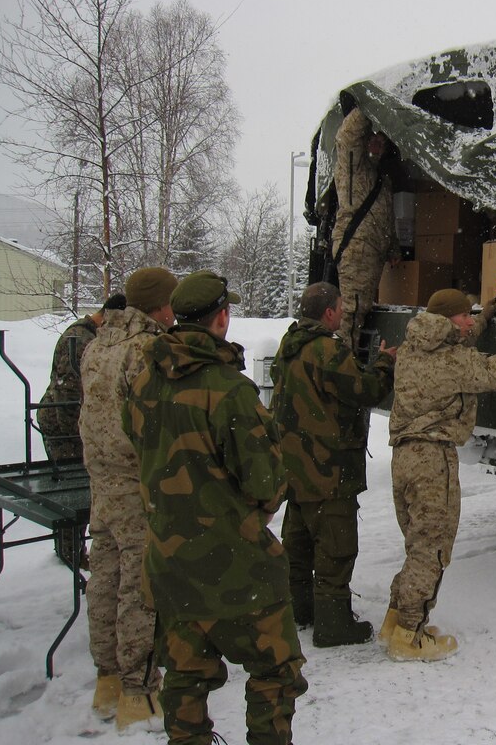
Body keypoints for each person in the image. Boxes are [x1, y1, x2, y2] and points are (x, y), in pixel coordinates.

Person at [123, 270, 307, 745]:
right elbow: (265, 482)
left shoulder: (144, 382)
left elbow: (139, 449)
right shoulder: (229, 390)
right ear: (221, 318)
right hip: (236, 570)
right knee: (276, 671)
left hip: (170, 566)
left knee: (185, 678)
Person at [384, 288, 496, 661]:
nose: (470, 323)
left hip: (404, 457)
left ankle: (395, 622)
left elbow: (457, 342)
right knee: (433, 549)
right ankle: (409, 636)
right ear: (447, 321)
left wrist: (483, 319)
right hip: (431, 461)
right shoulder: (454, 363)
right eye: (465, 317)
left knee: (418, 544)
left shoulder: (412, 346)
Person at [271, 281, 396, 647]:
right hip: (328, 468)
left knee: (297, 545)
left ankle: (301, 611)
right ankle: (333, 623)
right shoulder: (326, 350)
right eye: (340, 307)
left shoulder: (289, 345)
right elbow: (366, 390)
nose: (343, 312)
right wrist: (386, 362)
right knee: (336, 548)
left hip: (294, 468)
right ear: (328, 313)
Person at [79, 268, 177, 728]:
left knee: (105, 571)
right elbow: (154, 422)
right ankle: (138, 693)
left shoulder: (99, 344)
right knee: (139, 584)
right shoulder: (145, 350)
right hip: (136, 482)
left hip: (102, 478)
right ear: (161, 305)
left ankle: (108, 679)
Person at [331, 107, 399, 351]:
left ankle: (349, 362)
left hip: (372, 253)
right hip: (357, 250)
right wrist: (367, 106)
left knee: (360, 312)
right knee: (351, 312)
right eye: (372, 139)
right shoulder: (354, 169)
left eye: (382, 141)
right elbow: (346, 137)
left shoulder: (382, 177)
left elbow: (385, 216)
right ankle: (342, 365)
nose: (377, 145)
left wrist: (393, 247)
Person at [38, 293, 126, 462]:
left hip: (71, 421)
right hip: (63, 426)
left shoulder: (88, 334)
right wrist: (78, 433)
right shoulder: (81, 339)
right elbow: (67, 390)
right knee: (70, 477)